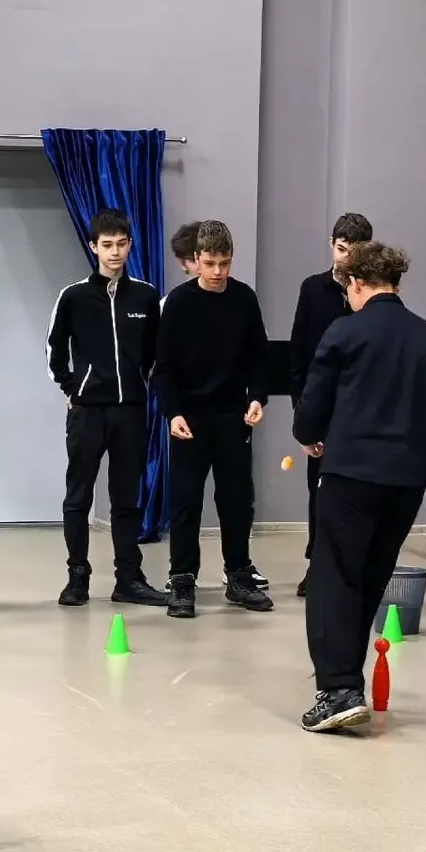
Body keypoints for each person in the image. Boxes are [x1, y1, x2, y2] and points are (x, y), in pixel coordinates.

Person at [293, 243, 426, 734]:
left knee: (335, 576)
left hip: (350, 476)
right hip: (405, 483)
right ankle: (347, 684)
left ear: (356, 283)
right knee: (371, 577)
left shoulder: (344, 333)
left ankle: (338, 690)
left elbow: (311, 409)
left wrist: (309, 434)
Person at [45, 207, 166, 608]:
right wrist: (71, 387)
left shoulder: (145, 296)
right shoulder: (74, 297)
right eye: (107, 244)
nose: (114, 252)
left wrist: (143, 385)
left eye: (121, 244)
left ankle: (128, 578)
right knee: (78, 496)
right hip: (88, 411)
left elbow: (156, 353)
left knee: (126, 498)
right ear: (93, 246)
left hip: (130, 410)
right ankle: (77, 577)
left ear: (130, 246)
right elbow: (53, 349)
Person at [153, 220, 271, 618]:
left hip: (232, 416)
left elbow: (259, 357)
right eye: (209, 263)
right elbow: (163, 367)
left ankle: (238, 576)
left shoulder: (244, 299)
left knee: (236, 500)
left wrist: (257, 397)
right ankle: (182, 580)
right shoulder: (178, 303)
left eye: (224, 263)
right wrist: (172, 412)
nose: (218, 272)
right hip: (189, 419)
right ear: (196, 260)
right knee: (186, 501)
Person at [288, 212, 374, 597]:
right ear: (331, 245)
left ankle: (356, 568)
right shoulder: (312, 289)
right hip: (321, 412)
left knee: (360, 493)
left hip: (361, 413)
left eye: (354, 252)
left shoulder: (373, 296)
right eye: (341, 250)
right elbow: (298, 355)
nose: (346, 259)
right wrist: (303, 415)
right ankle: (318, 566)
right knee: (320, 493)